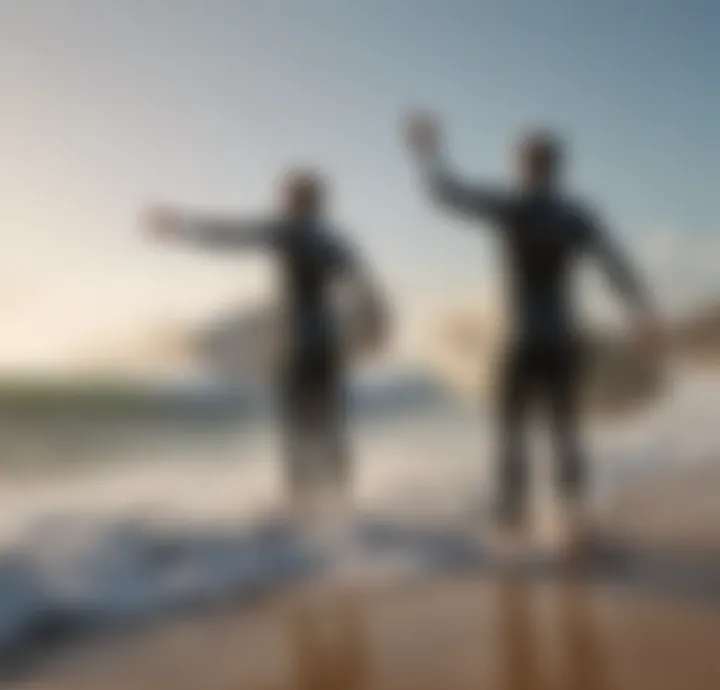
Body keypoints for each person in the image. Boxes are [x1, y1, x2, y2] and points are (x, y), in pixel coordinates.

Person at [404, 114, 663, 550]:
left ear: (533, 166)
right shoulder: (571, 215)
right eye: (529, 160)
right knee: (555, 426)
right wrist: (641, 312)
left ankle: (518, 517)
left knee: (520, 426)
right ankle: (565, 515)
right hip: (556, 338)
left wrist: (429, 155)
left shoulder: (519, 208)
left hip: (531, 338)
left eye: (531, 161)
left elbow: (449, 196)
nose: (530, 168)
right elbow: (616, 267)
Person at [142, 169, 388, 511]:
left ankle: (307, 506)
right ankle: (337, 504)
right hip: (323, 344)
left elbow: (231, 236)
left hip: (301, 346)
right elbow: (365, 289)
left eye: (292, 197)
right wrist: (374, 325)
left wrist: (180, 226)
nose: (286, 204)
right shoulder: (332, 243)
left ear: (302, 202)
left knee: (301, 429)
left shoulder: (292, 235)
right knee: (327, 427)